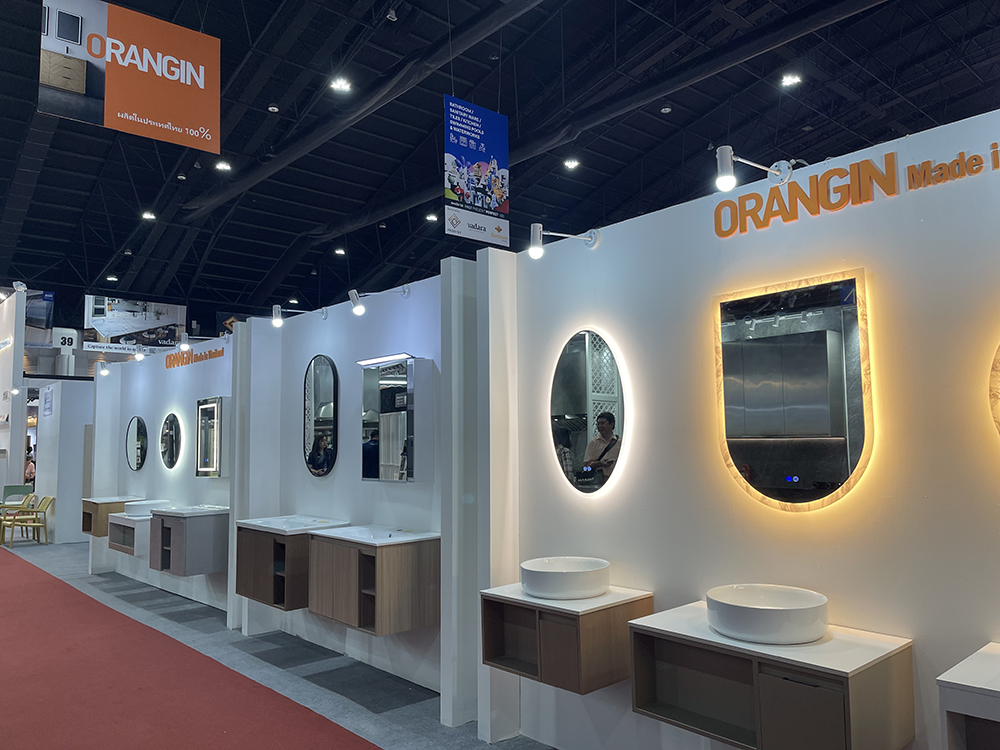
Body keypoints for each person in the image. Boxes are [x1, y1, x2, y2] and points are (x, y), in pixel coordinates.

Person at [583, 412, 621, 484]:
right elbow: (586, 465)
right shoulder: (593, 443)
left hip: (618, 479)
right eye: (598, 424)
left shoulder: (620, 442)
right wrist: (599, 463)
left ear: (612, 424)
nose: (600, 426)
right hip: (598, 481)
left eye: (602, 423)